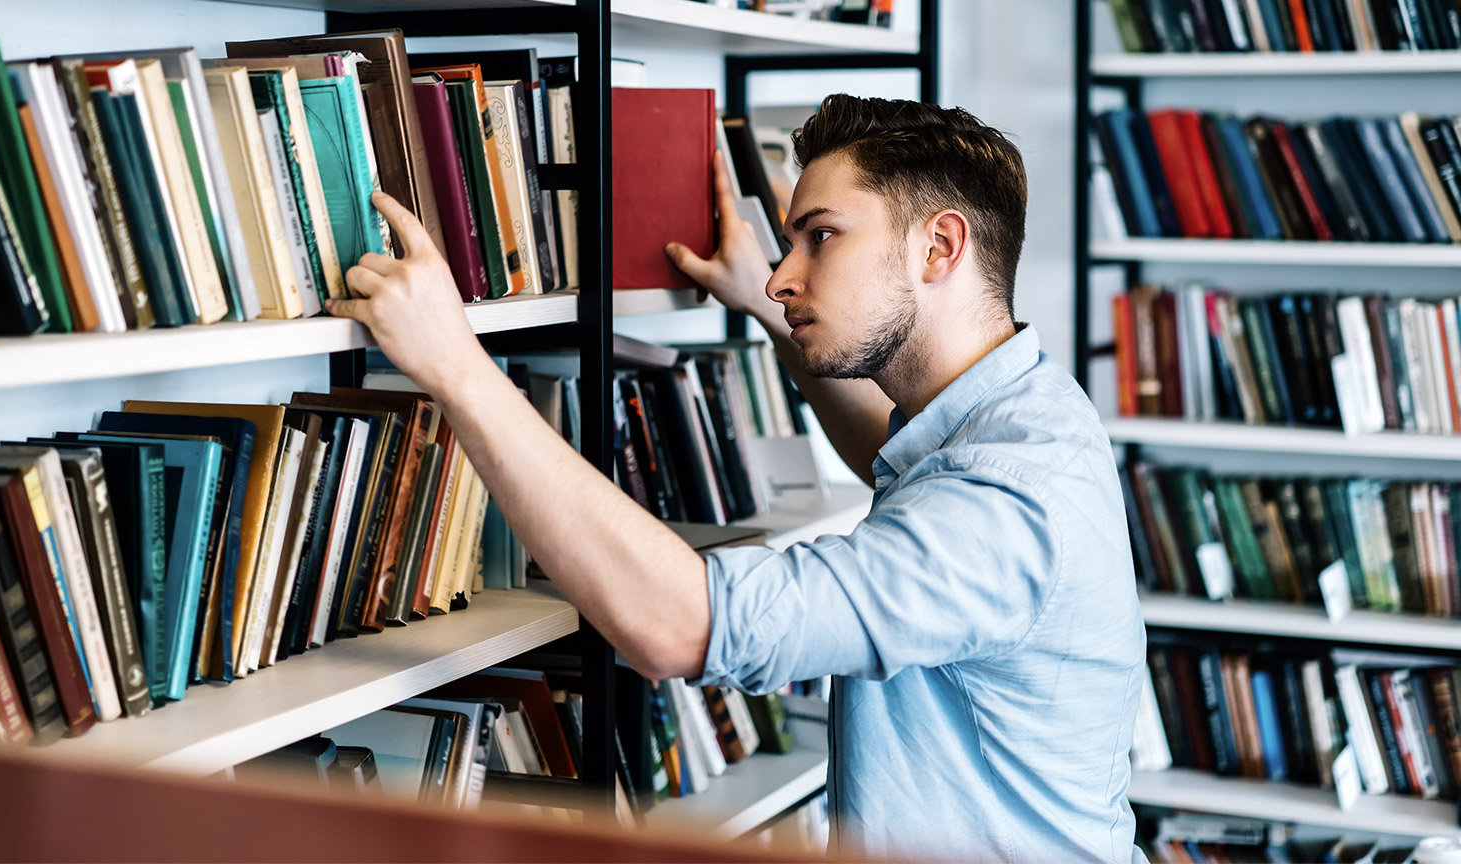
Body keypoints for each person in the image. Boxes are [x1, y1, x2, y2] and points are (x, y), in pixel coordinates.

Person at [327, 95, 1146, 862]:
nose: (783, 275)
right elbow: (895, 462)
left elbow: (682, 625)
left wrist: (455, 366)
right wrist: (768, 313)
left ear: (939, 247)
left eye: (820, 237)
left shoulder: (1008, 493)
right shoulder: (1018, 409)